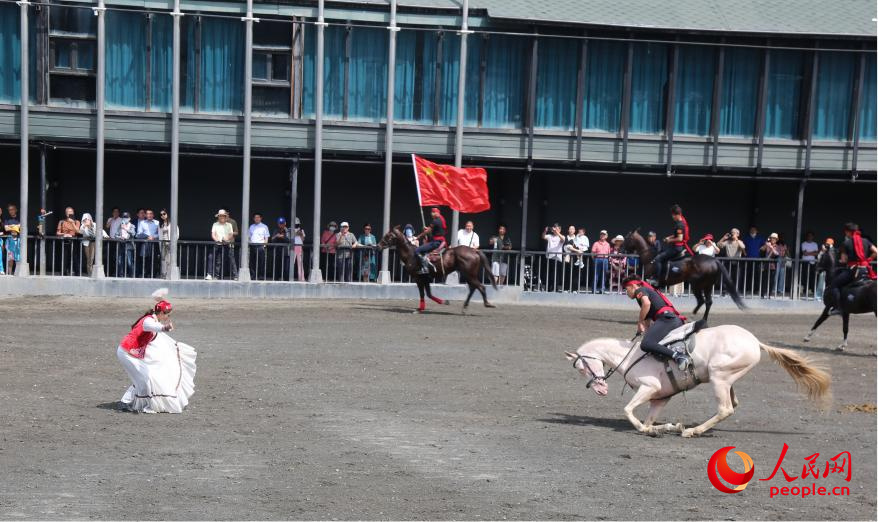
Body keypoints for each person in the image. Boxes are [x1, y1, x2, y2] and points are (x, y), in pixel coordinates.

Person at [116, 289, 196, 413]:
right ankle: (126, 402)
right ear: (161, 313)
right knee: (144, 378)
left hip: (132, 352)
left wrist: (161, 299)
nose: (168, 317)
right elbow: (152, 327)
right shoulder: (148, 321)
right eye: (167, 315)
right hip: (126, 353)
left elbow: (160, 313)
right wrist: (165, 327)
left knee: (144, 378)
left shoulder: (153, 317)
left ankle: (127, 402)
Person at [623, 276, 692, 371]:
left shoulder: (640, 290)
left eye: (626, 289)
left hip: (666, 320)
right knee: (648, 344)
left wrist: (640, 322)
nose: (626, 293)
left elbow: (646, 304)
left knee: (646, 344)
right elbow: (647, 322)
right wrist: (643, 332)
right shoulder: (645, 293)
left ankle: (678, 356)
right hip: (671, 320)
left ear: (633, 286)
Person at [828, 222, 877, 315]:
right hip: (865, 270)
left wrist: (841, 261)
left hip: (853, 271)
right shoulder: (866, 241)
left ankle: (838, 308)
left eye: (845, 232)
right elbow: (876, 252)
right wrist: (868, 260)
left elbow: (843, 260)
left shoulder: (846, 243)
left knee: (834, 285)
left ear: (848, 232)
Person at [650, 204, 692, 285]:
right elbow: (677, 235)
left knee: (658, 258)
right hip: (676, 247)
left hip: (676, 248)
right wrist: (669, 237)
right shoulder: (681, 222)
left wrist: (669, 240)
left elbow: (680, 238)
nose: (672, 217)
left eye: (673, 215)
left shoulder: (679, 225)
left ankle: (656, 279)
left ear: (677, 214)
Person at [415, 208, 448, 274]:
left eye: (432, 212)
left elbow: (427, 232)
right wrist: (428, 229)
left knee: (417, 250)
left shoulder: (435, 221)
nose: (431, 214)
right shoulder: (442, 219)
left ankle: (425, 268)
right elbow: (435, 229)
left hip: (436, 242)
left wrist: (418, 237)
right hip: (441, 241)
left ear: (436, 213)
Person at [206, 209, 236, 280]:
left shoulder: (229, 225)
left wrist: (226, 239)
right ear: (218, 217)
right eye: (220, 216)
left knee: (231, 260)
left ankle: (235, 276)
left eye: (223, 216)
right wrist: (216, 240)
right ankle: (213, 275)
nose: (221, 217)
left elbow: (231, 234)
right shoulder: (215, 224)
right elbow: (213, 234)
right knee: (215, 259)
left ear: (225, 217)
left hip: (226, 244)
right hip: (217, 244)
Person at [56, 207, 81, 276]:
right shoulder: (62, 221)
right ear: (65, 213)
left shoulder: (76, 221)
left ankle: (77, 272)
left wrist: (72, 223)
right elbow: (57, 233)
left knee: (75, 257)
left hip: (74, 240)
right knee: (64, 256)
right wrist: (64, 234)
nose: (69, 213)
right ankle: (64, 272)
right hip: (64, 240)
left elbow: (78, 231)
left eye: (71, 212)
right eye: (68, 212)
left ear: (73, 213)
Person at [136, 209, 160, 278]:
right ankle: (145, 275)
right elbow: (139, 234)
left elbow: (159, 233)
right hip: (145, 243)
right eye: (147, 214)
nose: (149, 215)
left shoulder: (157, 223)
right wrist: (147, 237)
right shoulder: (142, 223)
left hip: (154, 243)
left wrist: (153, 237)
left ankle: (153, 275)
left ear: (153, 215)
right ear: (145, 215)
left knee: (154, 259)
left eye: (151, 213)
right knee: (145, 259)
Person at [541, 223, 564, 292]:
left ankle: (555, 288)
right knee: (548, 273)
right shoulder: (550, 236)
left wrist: (557, 232)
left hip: (557, 258)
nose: (554, 230)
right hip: (549, 257)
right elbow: (543, 237)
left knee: (555, 274)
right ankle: (548, 288)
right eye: (554, 228)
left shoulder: (561, 236)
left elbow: (563, 239)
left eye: (557, 228)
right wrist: (545, 231)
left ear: (560, 229)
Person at [248, 213, 271, 280]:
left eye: (258, 217)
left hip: (260, 246)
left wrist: (264, 246)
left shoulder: (264, 226)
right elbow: (249, 236)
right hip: (252, 245)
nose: (257, 219)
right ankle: (253, 275)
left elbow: (266, 237)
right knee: (252, 262)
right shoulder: (251, 226)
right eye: (255, 217)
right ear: (253, 219)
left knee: (261, 261)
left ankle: (261, 276)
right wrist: (249, 243)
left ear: (261, 218)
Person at [800, 231, 819, 297]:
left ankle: (810, 290)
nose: (809, 237)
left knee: (812, 276)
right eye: (808, 235)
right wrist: (812, 252)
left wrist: (808, 253)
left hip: (812, 262)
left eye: (811, 236)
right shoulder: (803, 244)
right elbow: (804, 253)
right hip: (805, 262)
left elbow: (816, 253)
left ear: (813, 237)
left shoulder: (815, 244)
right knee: (805, 276)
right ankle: (804, 290)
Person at [3, 204, 21, 275]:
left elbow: (21, 227)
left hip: (18, 240)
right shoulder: (7, 219)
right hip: (10, 240)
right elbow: (6, 228)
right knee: (10, 258)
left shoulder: (20, 218)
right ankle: (10, 273)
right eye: (9, 210)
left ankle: (17, 273)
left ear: (16, 210)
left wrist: (11, 227)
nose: (11, 211)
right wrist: (16, 227)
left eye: (12, 209)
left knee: (18, 256)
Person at [117, 212, 137, 277]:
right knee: (120, 261)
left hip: (129, 245)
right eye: (123, 217)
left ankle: (131, 275)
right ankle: (121, 275)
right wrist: (120, 237)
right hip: (121, 244)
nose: (125, 219)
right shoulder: (120, 225)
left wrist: (125, 228)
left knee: (129, 261)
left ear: (129, 218)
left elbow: (133, 233)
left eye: (126, 217)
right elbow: (116, 235)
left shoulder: (132, 225)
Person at [292, 217, 306, 281]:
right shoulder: (290, 229)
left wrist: (300, 234)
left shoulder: (301, 230)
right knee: (291, 262)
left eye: (297, 224)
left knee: (300, 263)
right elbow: (288, 237)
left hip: (299, 247)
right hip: (292, 247)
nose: (296, 225)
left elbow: (303, 239)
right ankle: (290, 277)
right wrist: (295, 234)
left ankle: (301, 278)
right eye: (295, 224)